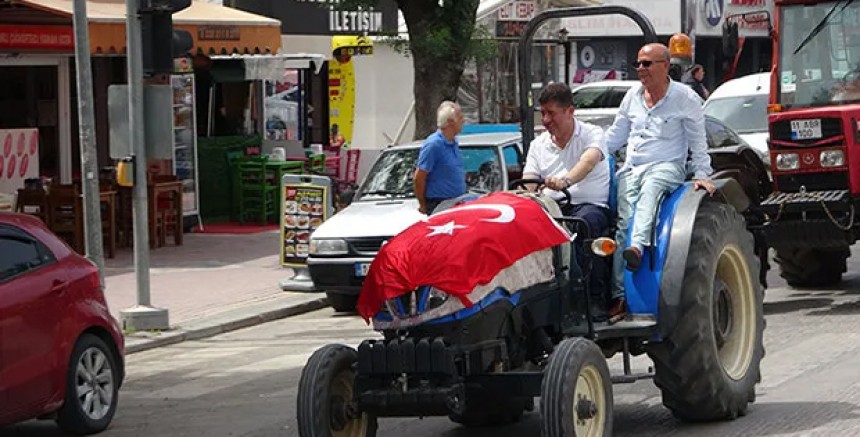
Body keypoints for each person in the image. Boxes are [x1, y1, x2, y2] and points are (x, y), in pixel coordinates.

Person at [604, 43, 715, 320]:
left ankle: (638, 247)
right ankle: (620, 295)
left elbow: (697, 141)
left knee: (651, 191)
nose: (641, 69)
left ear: (665, 66)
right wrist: (590, 153)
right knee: (622, 224)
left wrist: (702, 174)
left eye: (647, 64)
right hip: (632, 168)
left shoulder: (684, 98)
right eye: (638, 64)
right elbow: (615, 137)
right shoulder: (632, 96)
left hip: (667, 166)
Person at [523, 82, 613, 317]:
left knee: (583, 226)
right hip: (551, 206)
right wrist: (527, 191)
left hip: (589, 206)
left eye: (551, 113)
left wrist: (565, 181)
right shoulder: (538, 145)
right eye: (542, 113)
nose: (545, 120)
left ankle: (593, 298)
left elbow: (588, 162)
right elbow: (529, 181)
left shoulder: (592, 134)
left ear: (569, 111)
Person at [414, 101, 466, 215]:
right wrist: (423, 204)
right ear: (451, 121)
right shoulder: (434, 144)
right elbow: (419, 177)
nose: (463, 121)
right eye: (460, 117)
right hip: (440, 204)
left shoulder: (453, 142)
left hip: (457, 201)